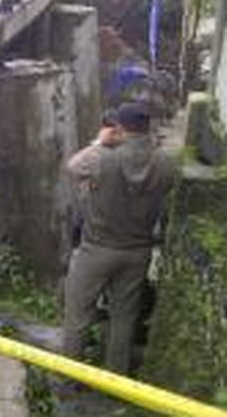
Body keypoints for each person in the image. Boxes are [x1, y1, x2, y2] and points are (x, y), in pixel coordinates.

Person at [62, 102, 174, 377]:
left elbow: (73, 166)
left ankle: (67, 380)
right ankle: (114, 380)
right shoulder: (164, 162)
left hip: (96, 250)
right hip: (138, 252)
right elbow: (165, 190)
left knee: (78, 316)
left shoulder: (103, 158)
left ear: (120, 129)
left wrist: (100, 143)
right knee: (124, 318)